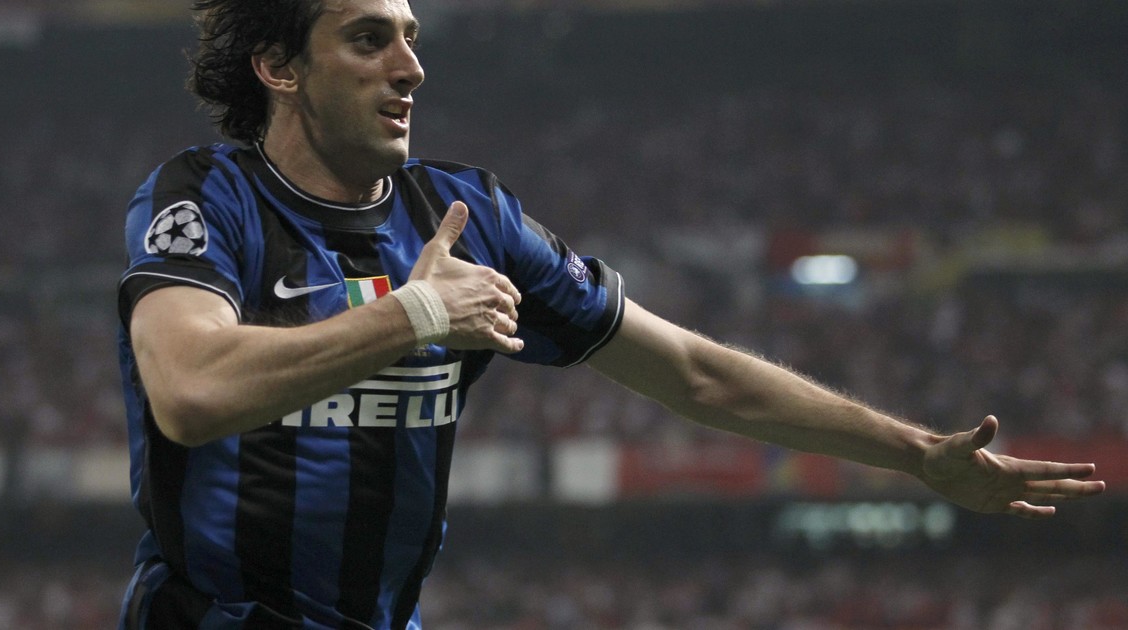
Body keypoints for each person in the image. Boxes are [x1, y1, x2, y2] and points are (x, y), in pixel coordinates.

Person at [114, 0, 1106, 628]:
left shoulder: (468, 213)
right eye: (370, 39)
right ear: (281, 67)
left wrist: (917, 454)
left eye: (412, 37)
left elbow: (695, 374)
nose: (411, 68)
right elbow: (191, 392)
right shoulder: (204, 198)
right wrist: (413, 313)